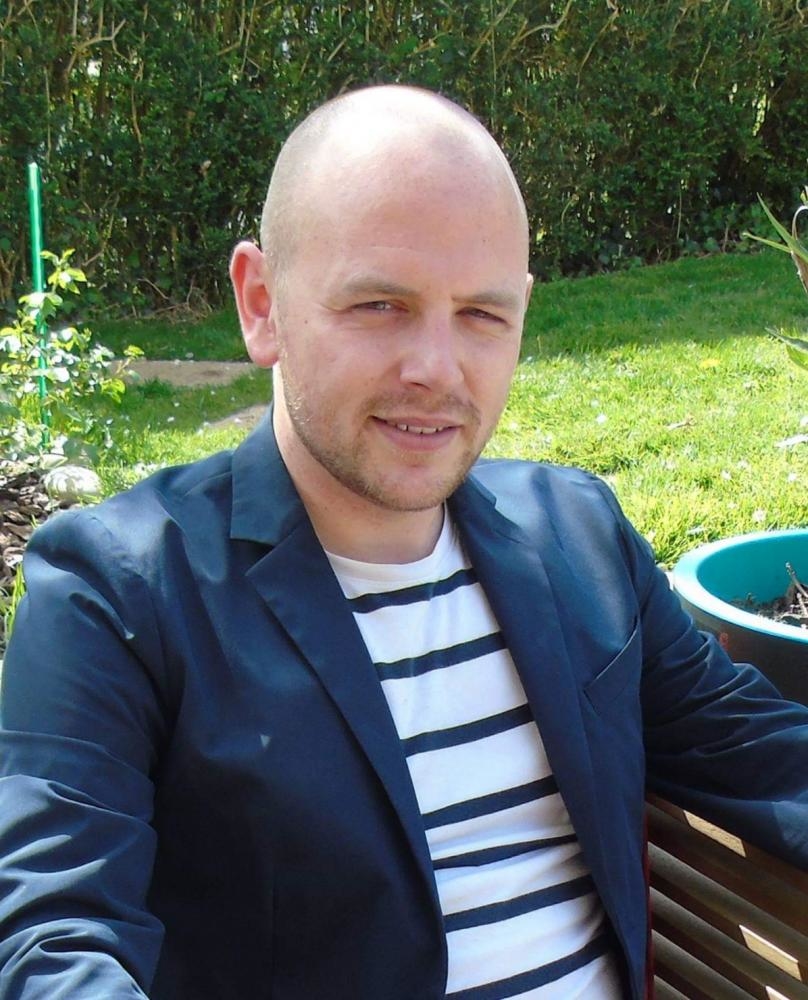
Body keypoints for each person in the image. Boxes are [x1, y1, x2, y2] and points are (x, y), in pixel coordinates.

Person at [0, 84, 806, 1000]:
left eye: (482, 315)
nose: (435, 368)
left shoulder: (579, 538)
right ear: (262, 304)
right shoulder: (118, 593)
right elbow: (52, 938)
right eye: (381, 304)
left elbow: (760, 751)